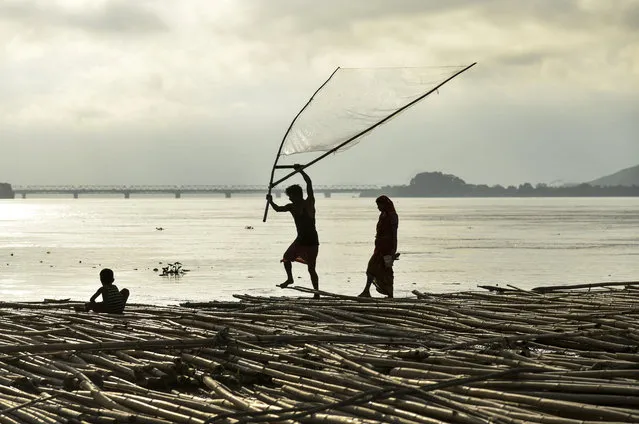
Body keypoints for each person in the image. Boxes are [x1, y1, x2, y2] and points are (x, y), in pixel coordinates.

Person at [266, 164, 320, 298]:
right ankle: (290, 279)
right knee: (286, 257)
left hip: (312, 240)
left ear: (296, 195)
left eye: (291, 196)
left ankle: (316, 293)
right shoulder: (291, 207)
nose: (289, 198)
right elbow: (278, 209)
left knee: (311, 268)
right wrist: (271, 201)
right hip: (301, 239)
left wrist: (300, 171)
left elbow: (309, 182)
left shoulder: (309, 203)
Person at [359, 195, 399, 298]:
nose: (378, 207)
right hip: (379, 247)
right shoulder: (382, 215)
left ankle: (390, 295)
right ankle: (366, 291)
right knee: (371, 268)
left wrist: (393, 250)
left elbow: (394, 233)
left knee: (387, 271)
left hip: (388, 247)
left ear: (384, 204)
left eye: (379, 205)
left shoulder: (392, 216)